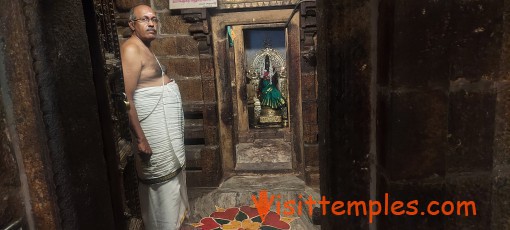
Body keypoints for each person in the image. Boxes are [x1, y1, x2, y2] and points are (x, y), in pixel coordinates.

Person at [120, 4, 189, 230]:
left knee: (172, 179)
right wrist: (141, 139)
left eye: (154, 19)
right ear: (132, 24)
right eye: (144, 19)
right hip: (153, 132)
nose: (151, 23)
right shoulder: (131, 49)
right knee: (162, 184)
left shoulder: (145, 47)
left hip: (166, 131)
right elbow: (126, 98)